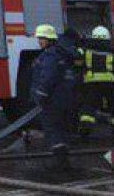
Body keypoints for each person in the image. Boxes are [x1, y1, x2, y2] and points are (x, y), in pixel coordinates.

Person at [31, 23, 80, 169]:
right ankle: (63, 159)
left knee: (52, 128)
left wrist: (41, 95)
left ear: (50, 39)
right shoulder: (61, 53)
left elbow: (48, 77)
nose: (39, 41)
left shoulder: (50, 55)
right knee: (60, 127)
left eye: (42, 38)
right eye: (39, 38)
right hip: (63, 98)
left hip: (52, 100)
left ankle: (60, 162)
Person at [79, 25, 114, 133]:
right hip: (109, 81)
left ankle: (85, 128)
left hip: (91, 80)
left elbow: (80, 63)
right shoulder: (111, 50)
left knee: (89, 104)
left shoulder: (86, 49)